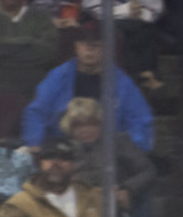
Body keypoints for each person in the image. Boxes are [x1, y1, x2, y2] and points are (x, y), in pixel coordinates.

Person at [21, 24, 155, 153]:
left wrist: (130, 149)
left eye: (96, 45)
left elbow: (141, 119)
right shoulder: (58, 76)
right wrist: (35, 144)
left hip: (107, 152)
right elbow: (36, 111)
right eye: (85, 44)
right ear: (76, 47)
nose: (89, 50)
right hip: (63, 148)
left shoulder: (121, 82)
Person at [0, 139, 125, 217]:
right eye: (49, 157)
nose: (56, 163)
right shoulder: (19, 204)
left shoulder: (94, 197)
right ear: (38, 164)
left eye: (64, 158)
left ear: (74, 165)